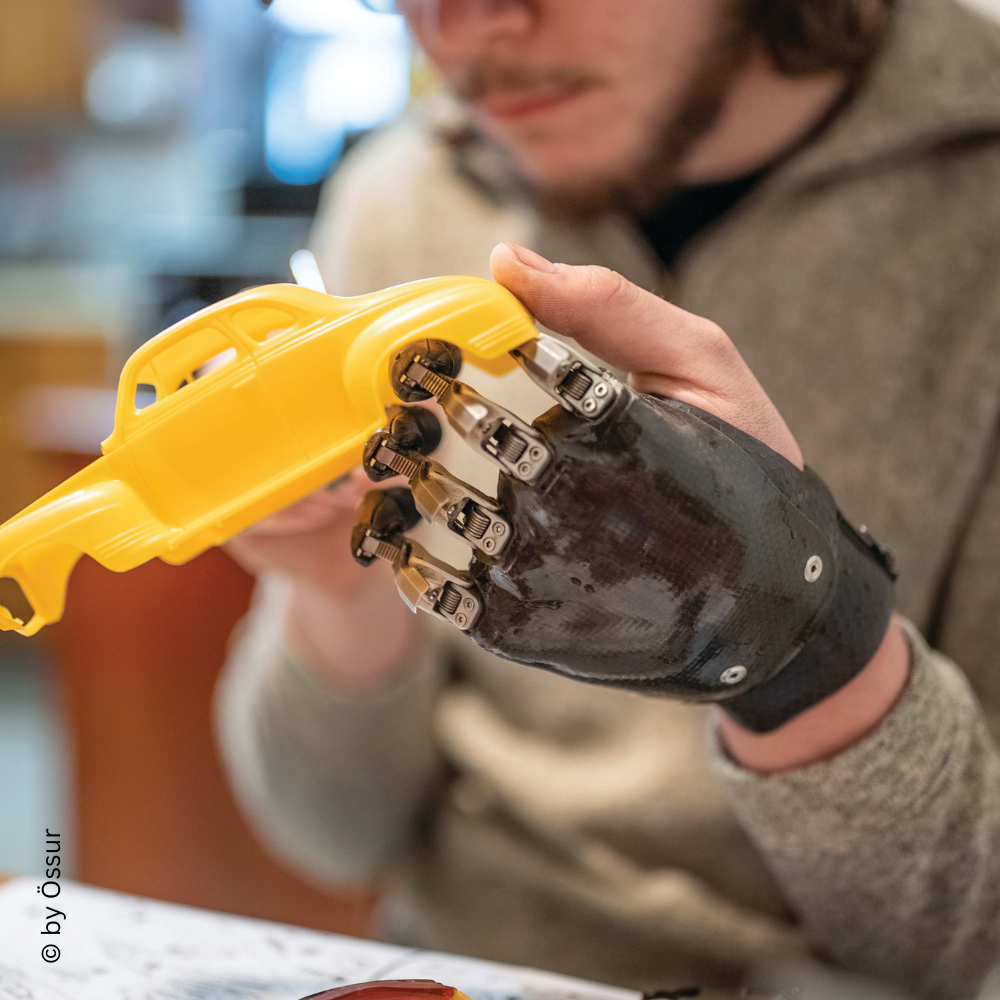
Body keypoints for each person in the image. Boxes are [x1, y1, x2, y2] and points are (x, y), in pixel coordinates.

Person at [215, 0, 1000, 996]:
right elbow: (332, 832)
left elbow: (969, 938)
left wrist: (804, 633)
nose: (462, 33)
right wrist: (339, 598)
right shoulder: (401, 195)